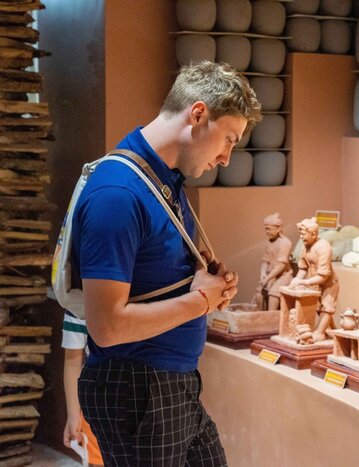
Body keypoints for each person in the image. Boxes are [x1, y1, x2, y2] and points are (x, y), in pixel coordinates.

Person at [73, 61, 261, 466]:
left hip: (168, 383)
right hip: (136, 386)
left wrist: (202, 279)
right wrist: (201, 303)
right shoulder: (118, 193)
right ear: (197, 115)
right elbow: (106, 328)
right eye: (228, 139)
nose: (227, 157)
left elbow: (159, 275)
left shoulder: (163, 180)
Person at [62, 311, 103, 467]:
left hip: (145, 395)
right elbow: (73, 360)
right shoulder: (76, 301)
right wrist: (73, 415)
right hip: (96, 403)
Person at [289, 217, 338, 342]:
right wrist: (295, 281)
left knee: (327, 307)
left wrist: (304, 282)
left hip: (329, 283)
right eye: (300, 234)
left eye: (304, 234)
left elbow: (323, 276)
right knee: (318, 307)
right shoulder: (305, 246)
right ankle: (332, 330)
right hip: (314, 282)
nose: (301, 237)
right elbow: (303, 268)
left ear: (313, 234)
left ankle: (320, 332)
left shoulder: (324, 247)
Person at [254, 213, 293, 311]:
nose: (266, 232)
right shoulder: (269, 242)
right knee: (260, 293)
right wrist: (263, 274)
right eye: (265, 229)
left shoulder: (285, 243)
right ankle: (261, 318)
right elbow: (265, 261)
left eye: (269, 229)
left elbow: (281, 265)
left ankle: (271, 319)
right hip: (271, 275)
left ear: (278, 229)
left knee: (273, 295)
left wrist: (267, 279)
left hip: (283, 275)